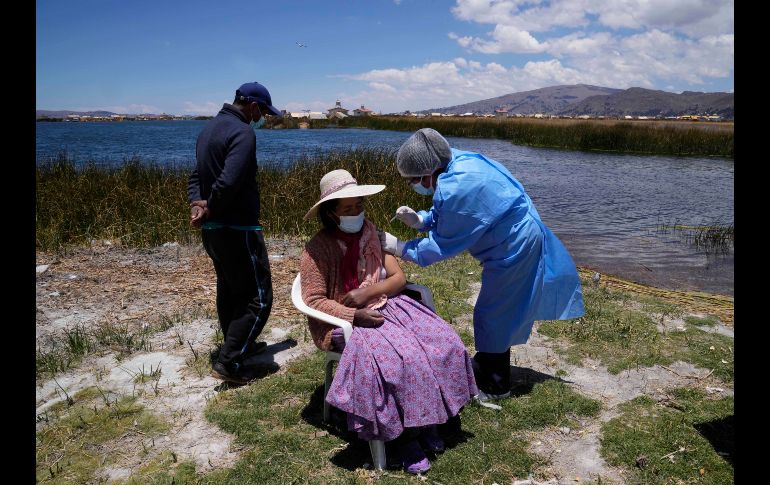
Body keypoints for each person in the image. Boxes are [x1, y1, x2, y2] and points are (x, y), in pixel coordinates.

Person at [380, 128, 585, 401]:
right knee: (498, 309)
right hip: (514, 233)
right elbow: (447, 211)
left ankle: (495, 385)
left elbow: (441, 245)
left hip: (514, 245)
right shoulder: (456, 162)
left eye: (412, 181)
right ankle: (489, 363)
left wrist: (399, 247)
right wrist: (422, 219)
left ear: (429, 172)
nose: (412, 186)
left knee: (494, 312)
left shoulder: (459, 186)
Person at [300, 169, 478, 474]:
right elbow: (313, 300)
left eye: (358, 206)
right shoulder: (317, 249)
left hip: (385, 305)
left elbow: (398, 278)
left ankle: (434, 419)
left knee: (443, 341)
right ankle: (402, 438)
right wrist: (354, 312)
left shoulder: (371, 232)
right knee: (401, 359)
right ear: (330, 213)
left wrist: (367, 292)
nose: (355, 213)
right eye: (347, 209)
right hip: (345, 320)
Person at [187, 82, 282, 385]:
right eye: (263, 112)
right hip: (238, 227)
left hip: (213, 231)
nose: (261, 118)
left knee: (230, 290)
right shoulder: (243, 132)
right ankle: (229, 362)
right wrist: (212, 206)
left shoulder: (209, 129)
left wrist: (198, 205)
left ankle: (239, 345)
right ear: (253, 106)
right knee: (258, 297)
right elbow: (229, 181)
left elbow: (196, 176)